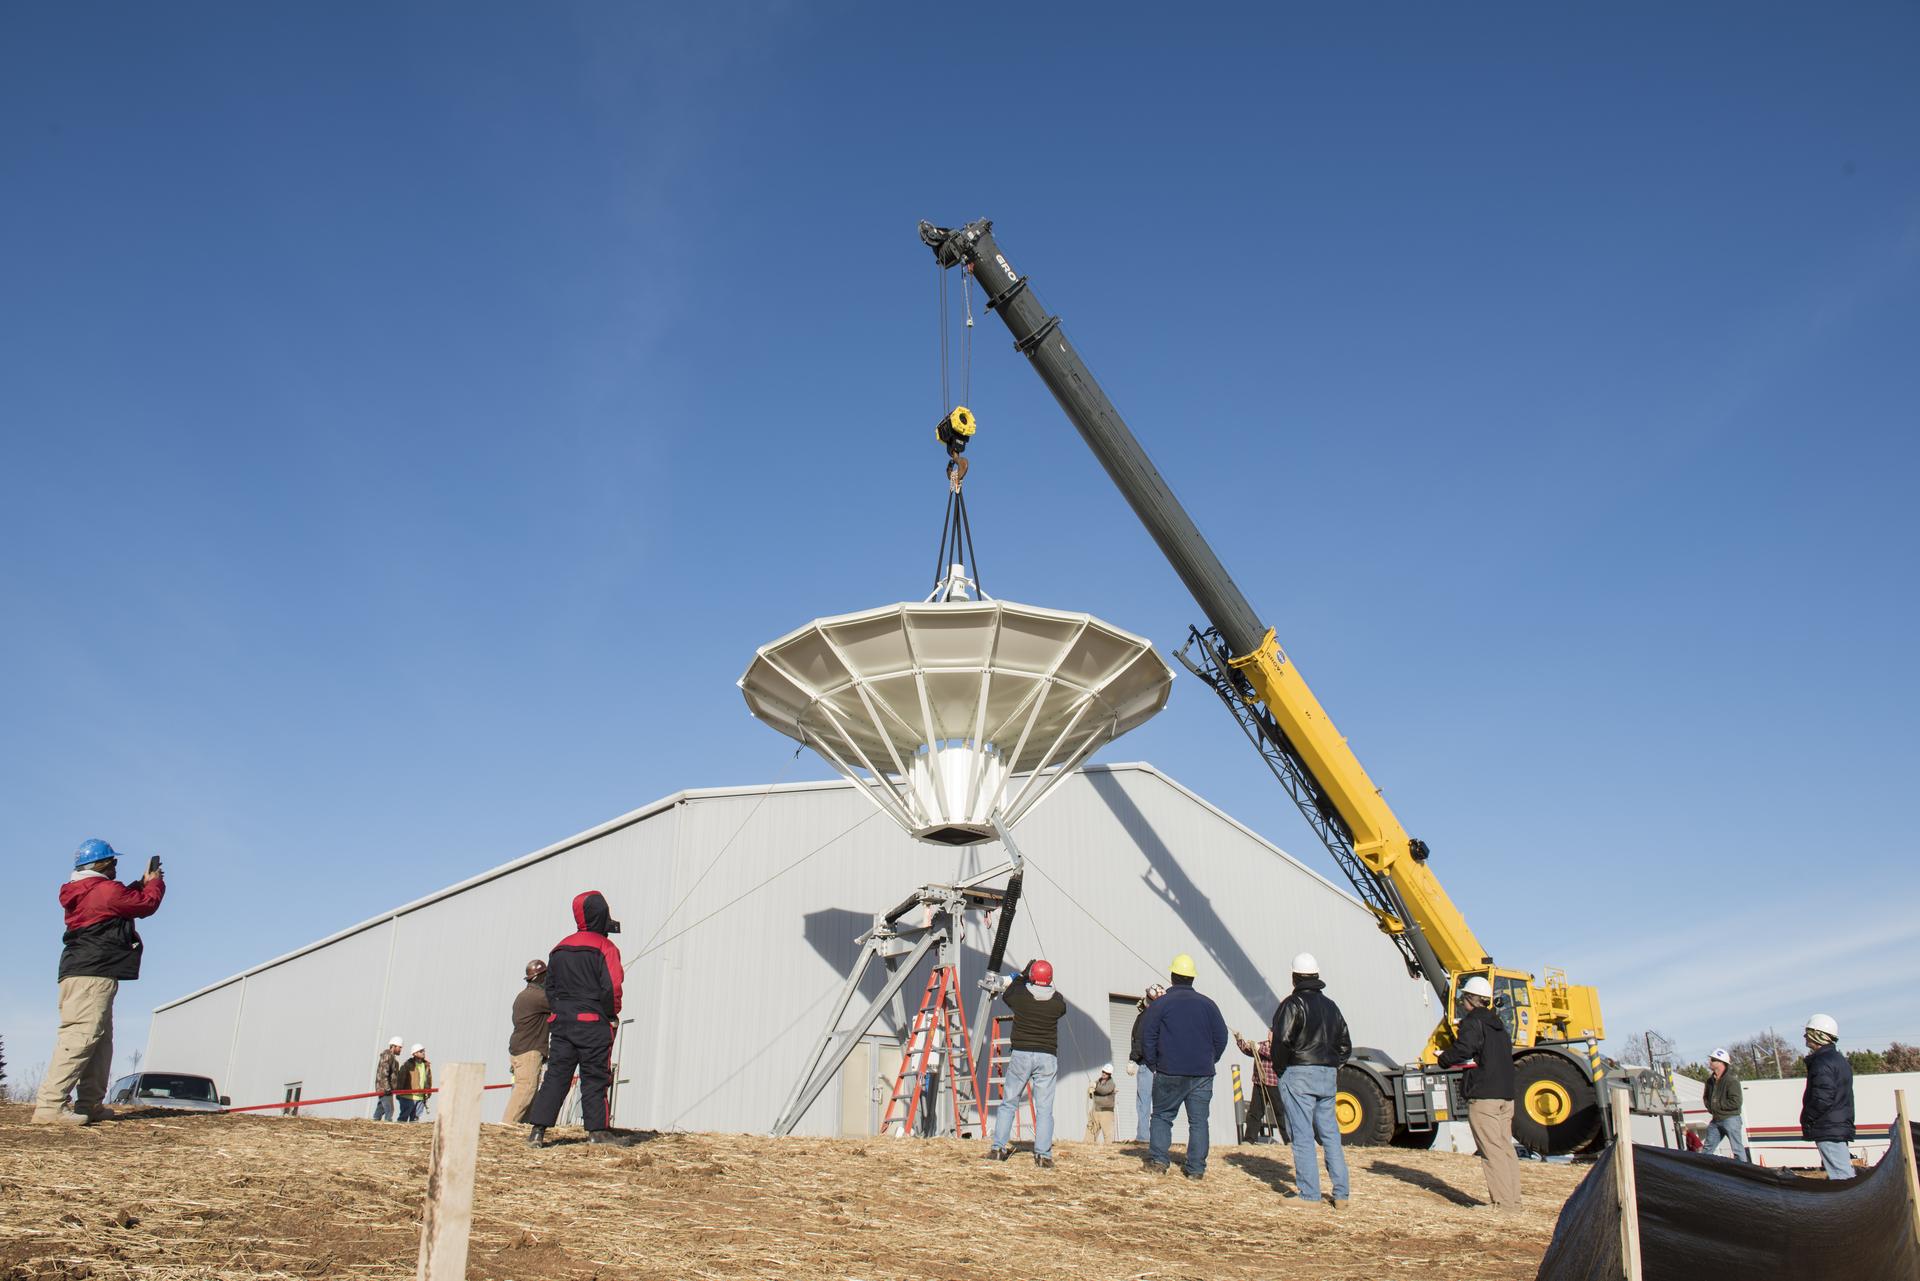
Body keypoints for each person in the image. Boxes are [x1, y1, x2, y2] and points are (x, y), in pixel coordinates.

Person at [33, 839, 167, 1126]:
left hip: (88, 972)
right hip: (92, 974)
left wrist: (140, 883)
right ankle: (50, 1106)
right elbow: (144, 904)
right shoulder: (104, 890)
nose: (116, 867)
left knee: (100, 1041)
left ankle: (90, 1104)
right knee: (81, 1036)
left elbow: (120, 901)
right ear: (103, 864)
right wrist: (154, 883)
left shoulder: (90, 890)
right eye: (114, 862)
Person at [525, 890, 637, 1148]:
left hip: (562, 1023)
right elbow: (612, 987)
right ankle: (597, 1132)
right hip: (593, 1023)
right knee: (595, 1076)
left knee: (556, 1075)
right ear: (602, 915)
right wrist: (611, 1014)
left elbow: (550, 987)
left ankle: (537, 1131)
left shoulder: (559, 948)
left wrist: (558, 1012)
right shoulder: (606, 947)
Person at [1270, 952, 1353, 1207]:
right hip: (1327, 1074)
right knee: (1330, 1135)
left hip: (1299, 1072)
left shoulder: (1292, 1004)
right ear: (1317, 975)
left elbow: (1282, 1040)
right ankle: (1341, 1194)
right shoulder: (1332, 1006)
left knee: (1302, 1134)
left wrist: (1282, 1069)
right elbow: (1345, 1045)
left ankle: (1309, 1195)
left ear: (1294, 977)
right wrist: (1331, 1065)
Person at [1139, 953, 1229, 1179]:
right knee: (1198, 1122)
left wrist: (1153, 1063)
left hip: (1169, 1070)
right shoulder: (1208, 1005)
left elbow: (1147, 1036)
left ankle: (1159, 1161)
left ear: (1172, 976)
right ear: (1192, 978)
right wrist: (1210, 1059)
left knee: (1162, 1116)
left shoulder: (1160, 1004)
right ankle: (1196, 1169)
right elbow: (1221, 1037)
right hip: (1202, 1073)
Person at [1435, 974, 1519, 1210]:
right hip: (1506, 1095)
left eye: (1464, 998)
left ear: (1471, 999)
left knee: (1491, 1150)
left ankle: (1502, 1204)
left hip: (1484, 1096)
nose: (1462, 1003)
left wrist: (1444, 1058)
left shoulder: (1472, 1023)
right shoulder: (1499, 1027)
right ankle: (1514, 1201)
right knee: (1505, 1148)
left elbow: (1464, 1049)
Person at [983, 959, 1066, 1168]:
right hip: (1047, 1056)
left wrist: (1021, 976)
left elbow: (1009, 993)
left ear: (1032, 976)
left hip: (1021, 1054)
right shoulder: (1057, 1002)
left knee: (1009, 1102)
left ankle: (998, 1149)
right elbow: (1060, 1004)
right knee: (1044, 1109)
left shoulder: (1020, 997)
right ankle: (1043, 1156)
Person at [1800, 1013, 1855, 1181]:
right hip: (1836, 1124)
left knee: (1840, 1177)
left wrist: (1807, 1117)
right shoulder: (1837, 1059)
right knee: (1843, 1173)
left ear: (1817, 1035)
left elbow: (1822, 1098)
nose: (1805, 1037)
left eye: (1808, 1033)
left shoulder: (1822, 1062)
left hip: (1827, 1126)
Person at [503, 960, 551, 1125]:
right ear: (540, 977)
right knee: (526, 1089)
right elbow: (561, 1004)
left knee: (529, 1092)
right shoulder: (538, 997)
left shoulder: (524, 995)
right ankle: (507, 1127)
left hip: (521, 1049)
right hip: (529, 1050)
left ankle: (521, 1126)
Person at [1126, 983, 1165, 1142]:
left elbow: (1139, 1039)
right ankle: (1160, 1138)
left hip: (1147, 1064)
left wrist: (1133, 1058)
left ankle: (1143, 1137)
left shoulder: (1145, 1017)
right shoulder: (1167, 1018)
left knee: (1144, 1101)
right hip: (1165, 1066)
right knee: (1161, 1104)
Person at [1233, 1029, 1281, 1143]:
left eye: (1272, 1033)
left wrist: (1259, 1048)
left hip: (1274, 1084)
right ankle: (1249, 1139)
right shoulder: (1262, 1044)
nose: (1269, 1035)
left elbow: (1274, 1055)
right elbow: (1248, 1051)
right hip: (1259, 1083)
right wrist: (1239, 1040)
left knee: (1280, 1112)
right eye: (1269, 1032)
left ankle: (1289, 1139)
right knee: (1254, 1112)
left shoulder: (1281, 1047)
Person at [1700, 1048, 1748, 1162]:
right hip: (1716, 1120)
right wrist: (1710, 1107)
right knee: (1707, 1150)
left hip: (1731, 1119)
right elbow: (1706, 1097)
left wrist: (1717, 1106)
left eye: (1713, 1060)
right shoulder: (1710, 1081)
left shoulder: (1731, 1081)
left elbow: (1736, 1102)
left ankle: (1744, 1170)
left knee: (1737, 1149)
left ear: (1721, 1063)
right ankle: (1703, 1170)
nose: (1710, 1062)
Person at [396, 1045, 433, 1121]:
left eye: (423, 1051)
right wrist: (398, 1092)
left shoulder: (426, 1065)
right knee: (403, 1119)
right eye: (421, 1051)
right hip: (408, 1097)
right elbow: (401, 1079)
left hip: (421, 1098)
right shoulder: (407, 1065)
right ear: (414, 1053)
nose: (423, 1053)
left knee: (415, 1122)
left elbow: (428, 1080)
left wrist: (428, 1093)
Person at [372, 1036, 404, 1121]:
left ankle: (374, 1122)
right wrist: (387, 1088)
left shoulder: (393, 1059)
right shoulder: (387, 1055)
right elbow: (383, 1073)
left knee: (381, 1108)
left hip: (387, 1088)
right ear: (393, 1046)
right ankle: (387, 1124)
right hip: (385, 1089)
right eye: (399, 1047)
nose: (400, 1049)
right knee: (389, 1110)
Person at [1084, 1064, 1118, 1143]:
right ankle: (1088, 1146)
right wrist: (1090, 1091)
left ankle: (1108, 1148)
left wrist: (1095, 1087)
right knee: (1091, 1132)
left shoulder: (1111, 1084)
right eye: (1103, 1071)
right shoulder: (1097, 1082)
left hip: (1106, 1113)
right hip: (1095, 1111)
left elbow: (1104, 1091)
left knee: (1107, 1134)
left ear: (1110, 1074)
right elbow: (1092, 1096)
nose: (1104, 1073)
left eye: (1106, 1073)